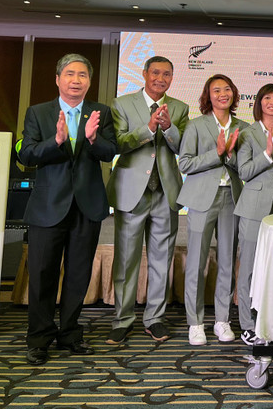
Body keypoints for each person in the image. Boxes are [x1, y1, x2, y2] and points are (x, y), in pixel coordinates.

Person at [19, 53, 117, 365]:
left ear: (89, 81)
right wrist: (57, 141)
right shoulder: (39, 112)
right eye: (70, 74)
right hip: (48, 206)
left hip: (87, 206)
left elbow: (111, 151)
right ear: (58, 79)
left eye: (83, 76)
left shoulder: (100, 111)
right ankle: (39, 338)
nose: (76, 81)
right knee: (43, 274)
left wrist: (91, 139)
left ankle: (71, 334)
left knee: (78, 275)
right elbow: (28, 155)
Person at [105, 56, 189, 345]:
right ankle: (122, 319)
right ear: (144, 74)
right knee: (126, 260)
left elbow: (183, 148)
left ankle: (155, 319)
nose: (160, 78)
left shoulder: (179, 108)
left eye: (167, 74)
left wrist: (168, 128)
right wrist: (149, 128)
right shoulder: (122, 103)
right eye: (155, 73)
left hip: (166, 192)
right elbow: (119, 143)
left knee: (161, 259)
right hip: (132, 192)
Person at [177, 74, 248, 345]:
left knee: (228, 260)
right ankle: (195, 323)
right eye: (216, 90)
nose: (222, 94)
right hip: (201, 198)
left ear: (234, 93)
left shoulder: (243, 127)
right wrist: (216, 153)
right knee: (196, 261)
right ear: (208, 96)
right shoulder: (196, 125)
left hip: (232, 197)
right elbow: (185, 163)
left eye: (227, 89)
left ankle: (222, 320)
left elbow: (244, 166)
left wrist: (229, 155)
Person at [233, 83, 273, 345]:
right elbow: (244, 172)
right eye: (268, 98)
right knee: (248, 264)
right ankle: (247, 324)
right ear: (259, 102)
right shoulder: (247, 134)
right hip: (253, 206)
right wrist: (267, 153)